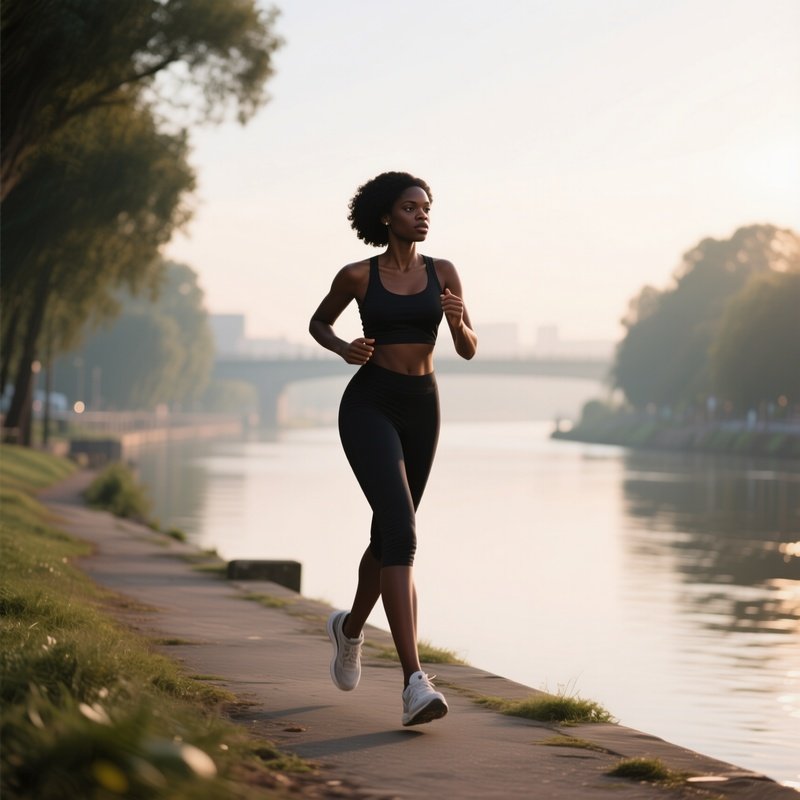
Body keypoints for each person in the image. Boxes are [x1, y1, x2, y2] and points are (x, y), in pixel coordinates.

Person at [309, 170, 477, 726]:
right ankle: (413, 682)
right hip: (370, 404)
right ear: (387, 215)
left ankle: (350, 629)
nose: (422, 215)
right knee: (402, 530)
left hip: (423, 407)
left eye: (426, 207)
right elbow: (319, 322)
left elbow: (470, 349)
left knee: (389, 535)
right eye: (410, 207)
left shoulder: (444, 272)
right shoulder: (358, 275)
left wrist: (457, 324)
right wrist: (343, 348)